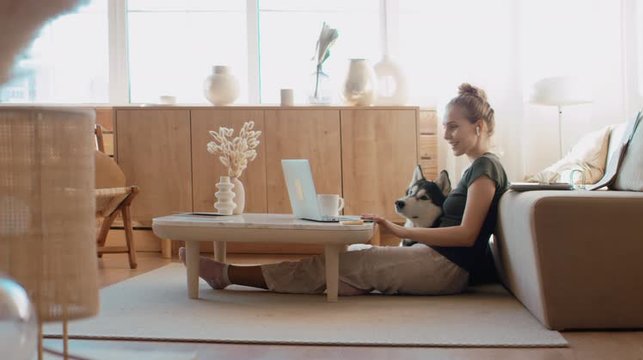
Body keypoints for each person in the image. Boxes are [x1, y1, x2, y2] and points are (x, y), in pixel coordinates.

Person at [179, 83, 509, 296]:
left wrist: (395, 229)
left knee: (334, 265)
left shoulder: (485, 168)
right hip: (437, 261)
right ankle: (349, 282)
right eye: (444, 127)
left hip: (444, 268)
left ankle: (228, 274)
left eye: (453, 127)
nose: (447, 134)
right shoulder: (477, 168)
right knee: (343, 262)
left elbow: (466, 235)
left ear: (477, 127)